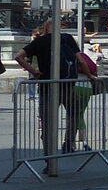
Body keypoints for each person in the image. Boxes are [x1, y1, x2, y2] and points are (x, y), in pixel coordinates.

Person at [15, 20, 82, 153]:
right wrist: (89, 76)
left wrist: (34, 71)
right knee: (75, 112)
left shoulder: (40, 41)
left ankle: (48, 154)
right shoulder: (67, 39)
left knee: (47, 122)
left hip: (47, 86)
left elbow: (18, 56)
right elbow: (80, 59)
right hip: (67, 85)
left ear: (45, 29)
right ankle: (68, 142)